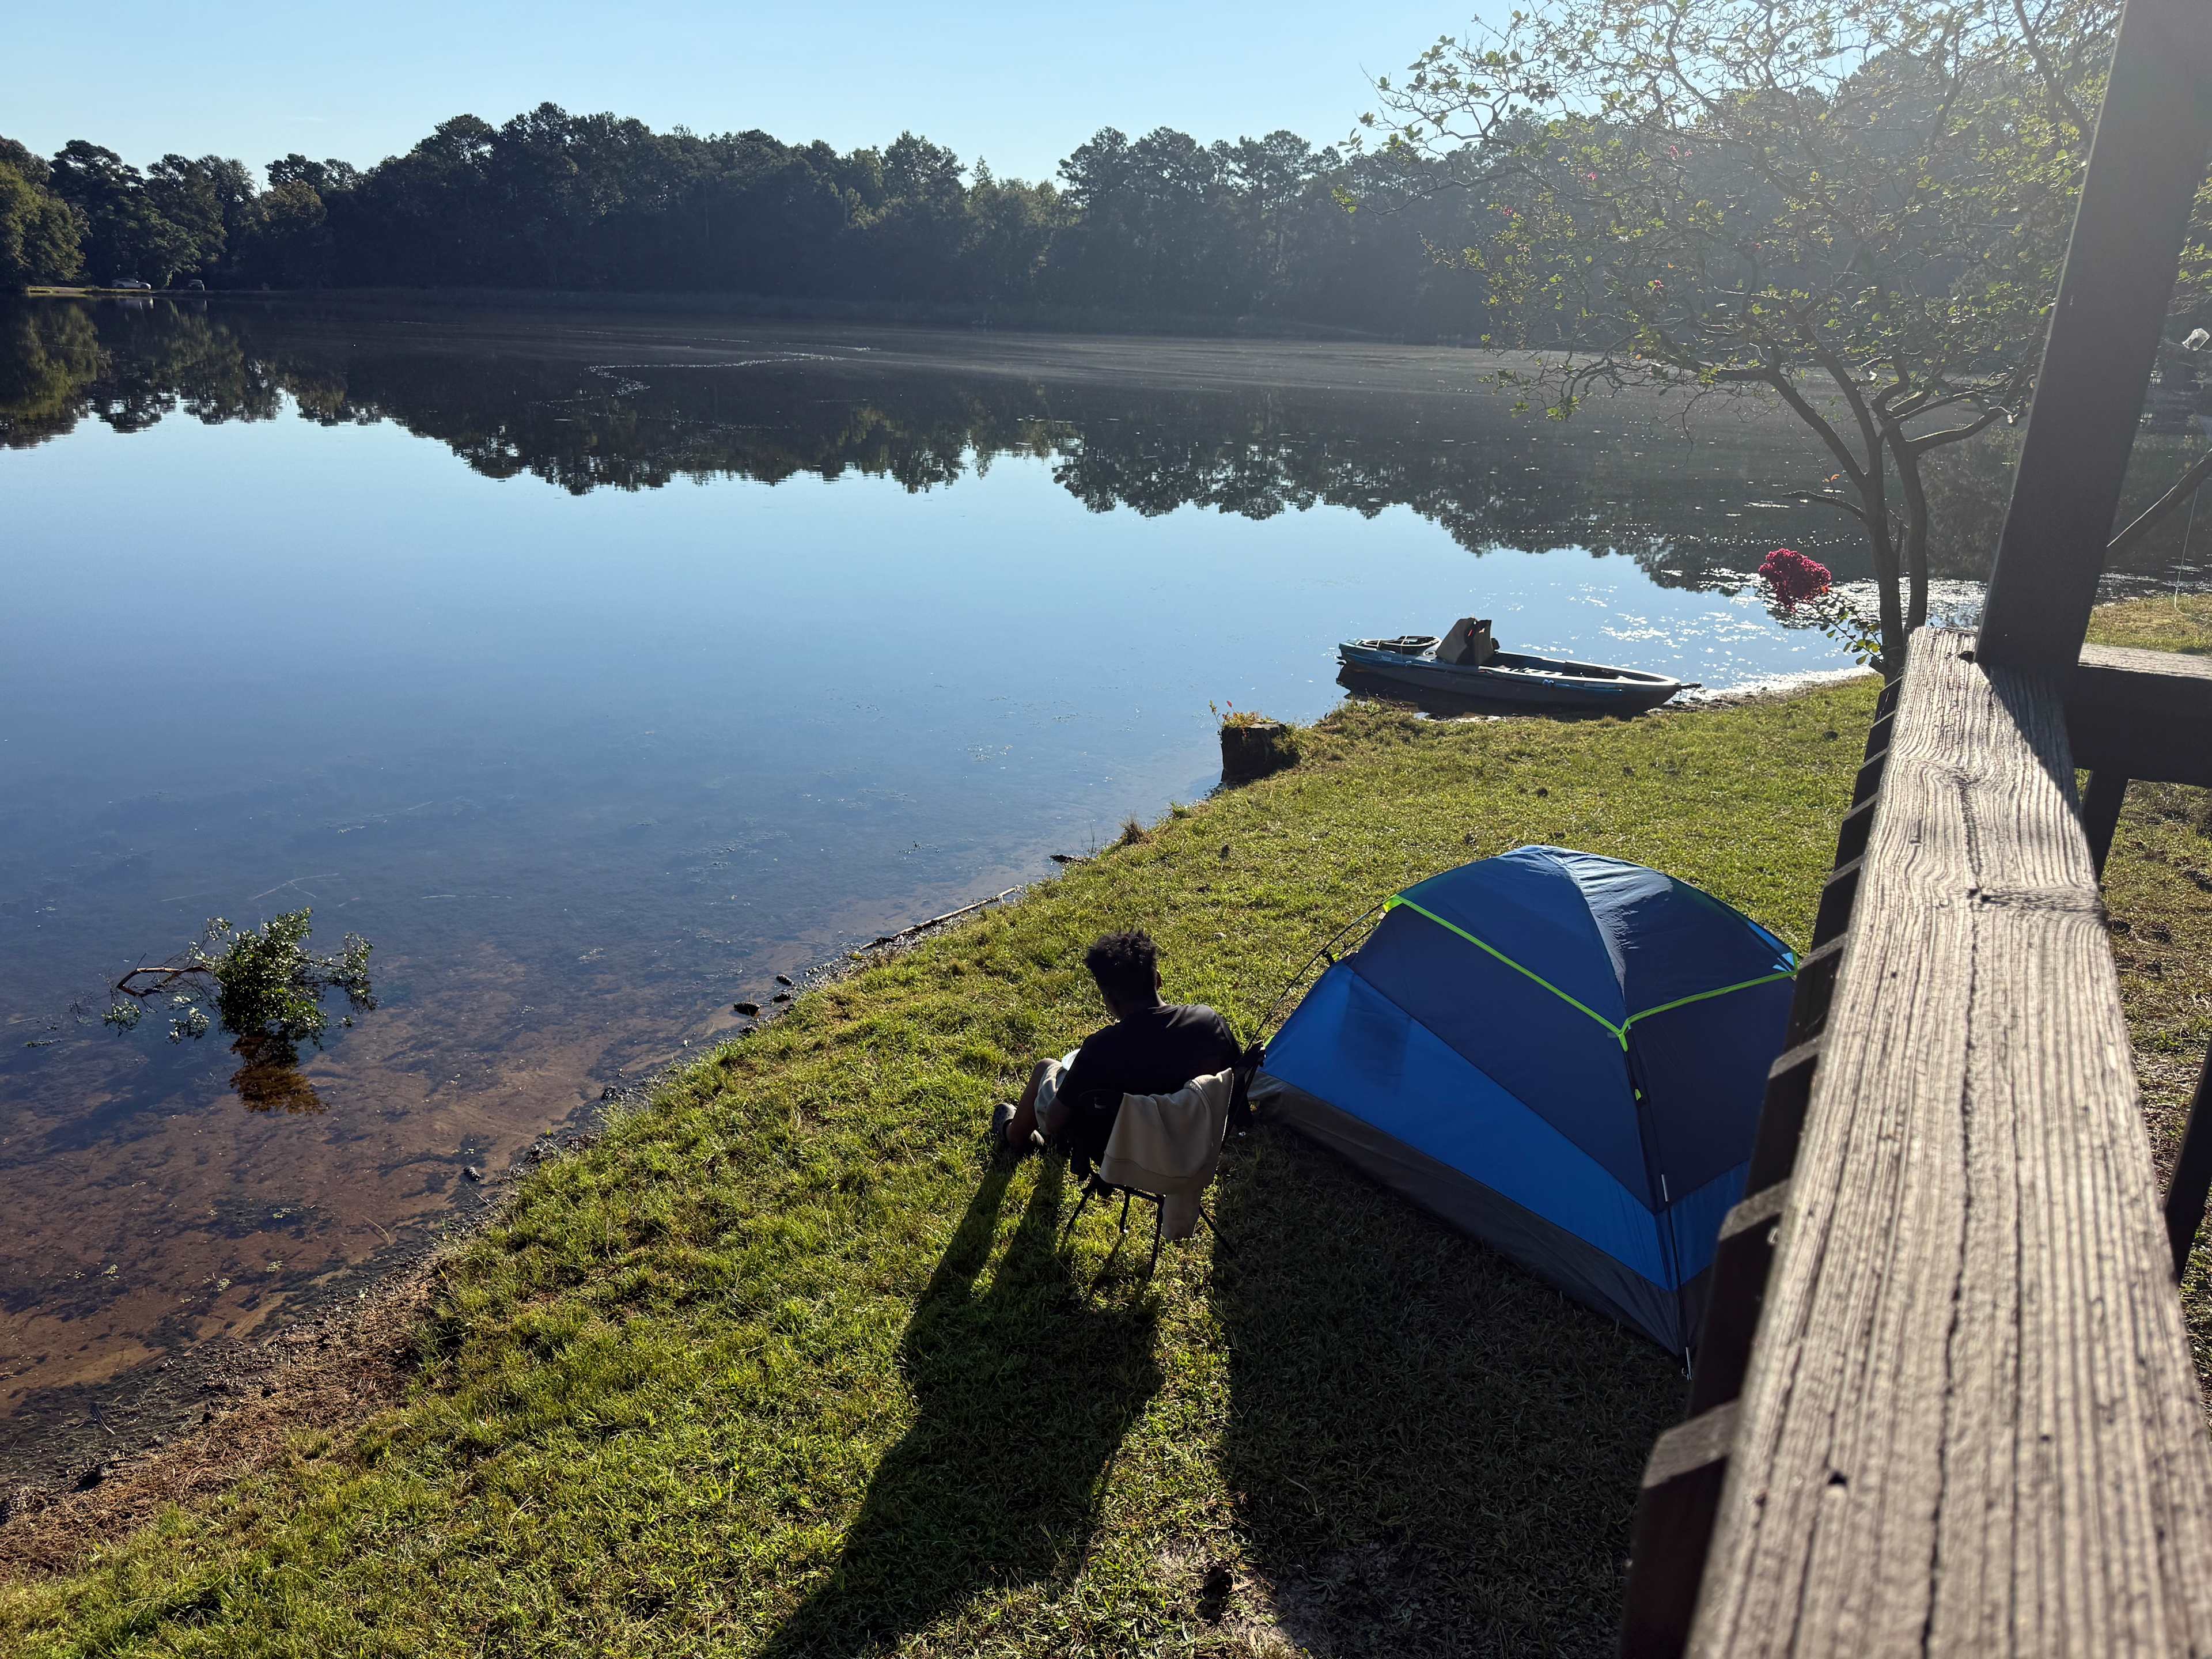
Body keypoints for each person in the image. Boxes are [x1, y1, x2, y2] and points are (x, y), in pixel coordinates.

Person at [993, 930, 1240, 1169]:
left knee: (1047, 1068)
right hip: (1198, 1145)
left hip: (1129, 1159)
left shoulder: (1101, 1049)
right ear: (1158, 979)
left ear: (1108, 999)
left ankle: (1014, 1134)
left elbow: (1054, 1122)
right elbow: (1236, 1084)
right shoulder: (1209, 1021)